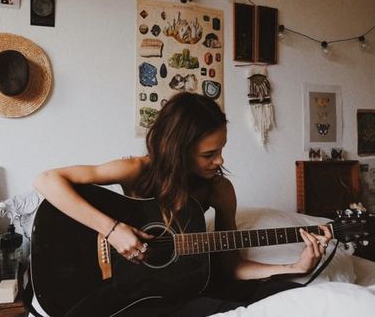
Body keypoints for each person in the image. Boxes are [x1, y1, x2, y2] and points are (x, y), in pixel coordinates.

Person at [33, 92, 332, 315]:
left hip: (180, 287)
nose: (220, 161)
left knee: (279, 294)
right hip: (128, 292)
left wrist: (294, 266)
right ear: (178, 150)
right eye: (209, 154)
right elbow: (46, 180)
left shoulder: (220, 190)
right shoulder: (137, 170)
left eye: (222, 149)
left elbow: (233, 267)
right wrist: (111, 229)